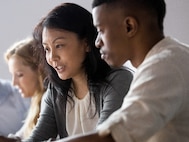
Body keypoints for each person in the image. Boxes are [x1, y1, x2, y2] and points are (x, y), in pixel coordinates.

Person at [56, 0, 189, 142]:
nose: (97, 42)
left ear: (129, 27)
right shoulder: (174, 56)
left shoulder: (164, 66)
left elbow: (113, 138)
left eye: (101, 31)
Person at [24, 2, 133, 141]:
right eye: (47, 49)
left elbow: (104, 137)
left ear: (86, 43)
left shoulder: (118, 79)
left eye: (59, 45)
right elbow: (37, 138)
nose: (52, 57)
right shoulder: (55, 91)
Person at [4, 37, 47, 140]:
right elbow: (18, 137)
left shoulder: (48, 100)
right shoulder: (35, 101)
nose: (14, 83)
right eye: (12, 75)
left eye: (19, 75)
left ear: (39, 71)